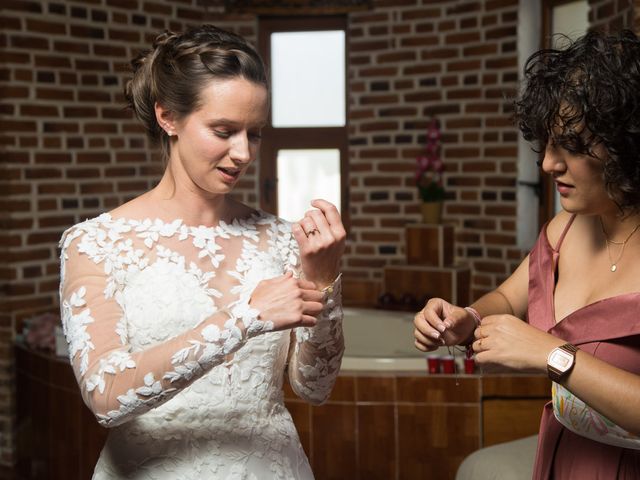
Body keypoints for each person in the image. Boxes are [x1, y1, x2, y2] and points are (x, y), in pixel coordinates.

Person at [59, 24, 346, 479]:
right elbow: (105, 397)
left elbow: (314, 388)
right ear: (168, 117)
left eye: (254, 134)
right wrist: (244, 319)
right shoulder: (96, 243)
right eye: (224, 130)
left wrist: (322, 279)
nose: (244, 153)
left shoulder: (283, 238)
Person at [414, 30, 640, 479]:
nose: (548, 164)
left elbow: (549, 350)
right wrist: (466, 318)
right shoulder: (563, 230)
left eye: (570, 146)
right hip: (565, 454)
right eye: (546, 143)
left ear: (626, 144)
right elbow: (507, 297)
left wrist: (554, 354)